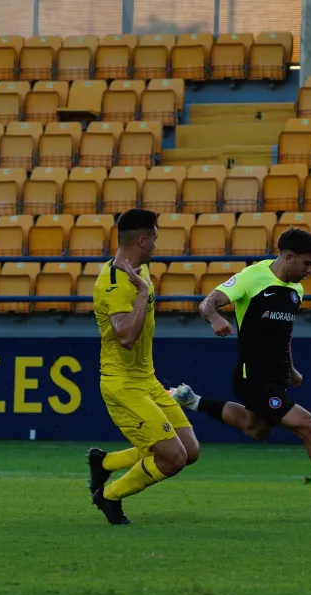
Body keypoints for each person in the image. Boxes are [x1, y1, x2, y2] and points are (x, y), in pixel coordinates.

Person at [169, 228, 311, 517]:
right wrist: (214, 318)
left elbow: (283, 334)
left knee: (255, 429)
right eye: (307, 263)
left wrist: (290, 368)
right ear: (288, 258)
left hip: (275, 377)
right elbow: (207, 303)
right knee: (309, 427)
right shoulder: (252, 277)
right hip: (253, 378)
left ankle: (192, 400)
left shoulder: (296, 290)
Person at [87, 208, 200, 525]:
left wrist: (142, 289)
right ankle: (109, 496)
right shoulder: (113, 283)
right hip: (123, 385)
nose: (156, 244)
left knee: (189, 451)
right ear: (141, 240)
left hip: (147, 379)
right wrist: (142, 293)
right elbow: (125, 337)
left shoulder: (141, 269)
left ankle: (104, 463)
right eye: (154, 239)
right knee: (173, 458)